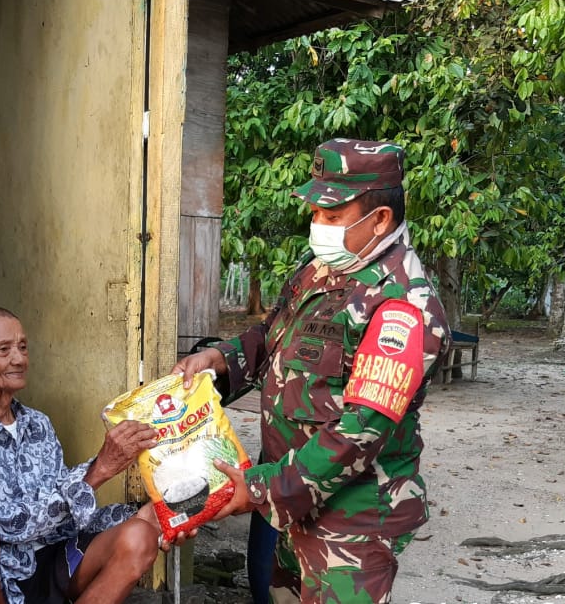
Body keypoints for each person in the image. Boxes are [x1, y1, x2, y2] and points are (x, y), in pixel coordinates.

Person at [173, 139, 450, 604]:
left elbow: (360, 431)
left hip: (350, 518)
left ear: (379, 219)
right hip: (289, 496)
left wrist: (258, 488)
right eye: (316, 214)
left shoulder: (402, 305)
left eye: (333, 216)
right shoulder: (320, 271)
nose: (318, 226)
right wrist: (220, 358)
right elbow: (272, 337)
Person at [0, 306, 183, 604]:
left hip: (43, 556)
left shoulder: (38, 424)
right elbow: (5, 526)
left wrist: (139, 515)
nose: (19, 359)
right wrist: (98, 471)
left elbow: (61, 517)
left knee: (139, 535)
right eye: (4, 349)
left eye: (23, 347)